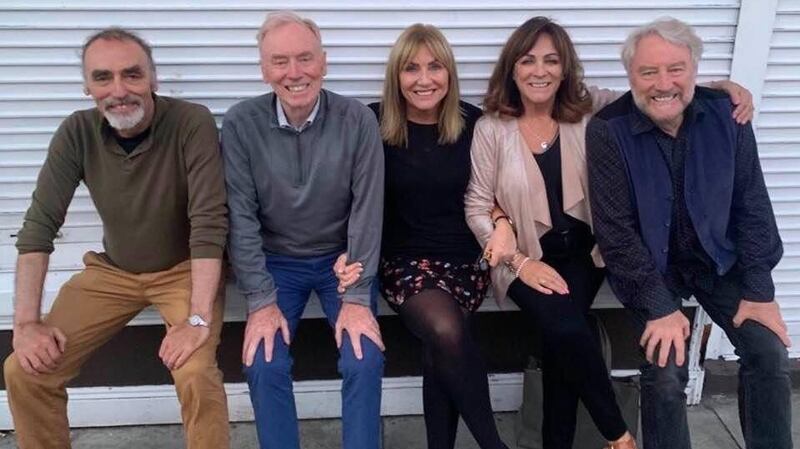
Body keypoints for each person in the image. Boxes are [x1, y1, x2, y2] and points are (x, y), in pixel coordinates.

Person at [464, 16, 752, 449]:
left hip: (584, 256)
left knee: (562, 341)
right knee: (563, 331)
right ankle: (619, 435)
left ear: (565, 69)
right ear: (512, 68)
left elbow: (660, 96)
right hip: (522, 258)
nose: (539, 71)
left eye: (551, 60)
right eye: (527, 61)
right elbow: (475, 204)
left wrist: (721, 88)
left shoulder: (588, 109)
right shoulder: (491, 128)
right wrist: (519, 263)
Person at [3, 28, 230, 449]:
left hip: (183, 272)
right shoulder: (76, 132)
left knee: (195, 371)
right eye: (103, 77)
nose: (119, 90)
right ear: (87, 86)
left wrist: (197, 319)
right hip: (114, 272)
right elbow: (38, 228)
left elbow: (208, 224)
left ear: (154, 79)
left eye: (132, 75)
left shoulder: (190, 122)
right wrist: (25, 324)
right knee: (25, 369)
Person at [587, 17, 791, 449]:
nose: (664, 83)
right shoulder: (608, 130)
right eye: (648, 72)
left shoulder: (728, 114)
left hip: (717, 260)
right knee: (665, 370)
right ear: (631, 77)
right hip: (650, 269)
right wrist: (659, 307)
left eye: (676, 69)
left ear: (694, 69)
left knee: (769, 351)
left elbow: (751, 206)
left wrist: (759, 290)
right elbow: (616, 233)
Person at [221, 11, 385, 449]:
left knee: (363, 358)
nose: (294, 73)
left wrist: (356, 293)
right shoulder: (240, 124)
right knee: (263, 361)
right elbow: (240, 216)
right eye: (280, 61)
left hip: (342, 262)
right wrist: (259, 298)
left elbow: (368, 209)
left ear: (324, 62)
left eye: (305, 58)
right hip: (276, 265)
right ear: (263, 69)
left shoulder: (357, 121)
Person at [341, 23, 510, 449]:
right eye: (411, 68)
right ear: (396, 76)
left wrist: (504, 222)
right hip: (402, 261)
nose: (423, 79)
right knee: (446, 329)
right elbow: (343, 191)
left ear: (449, 73)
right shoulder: (371, 122)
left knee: (441, 350)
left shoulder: (474, 124)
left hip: (465, 260)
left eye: (435, 67)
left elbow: (498, 190)